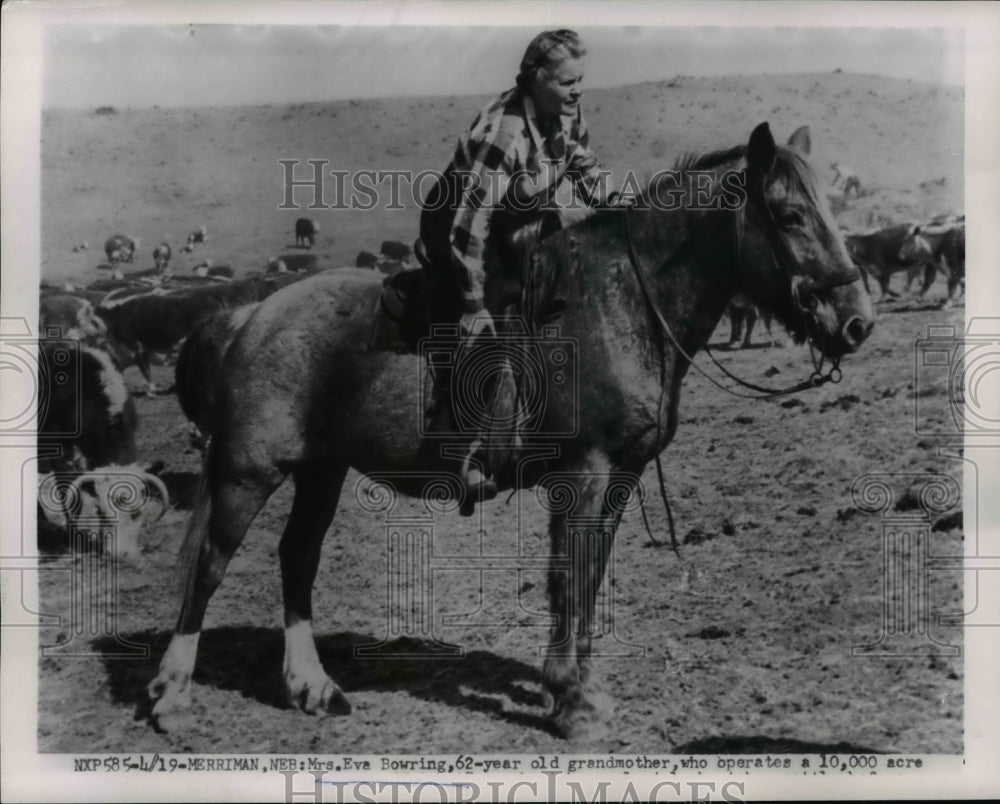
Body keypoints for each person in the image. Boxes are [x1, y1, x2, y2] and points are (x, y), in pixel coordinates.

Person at [418, 29, 614, 510]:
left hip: (517, 219)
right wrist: (472, 304)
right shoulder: (504, 134)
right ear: (535, 79)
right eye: (568, 81)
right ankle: (471, 456)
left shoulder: (568, 112)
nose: (577, 90)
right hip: (457, 225)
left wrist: (627, 214)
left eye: (580, 80)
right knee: (498, 318)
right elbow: (469, 226)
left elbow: (587, 175)